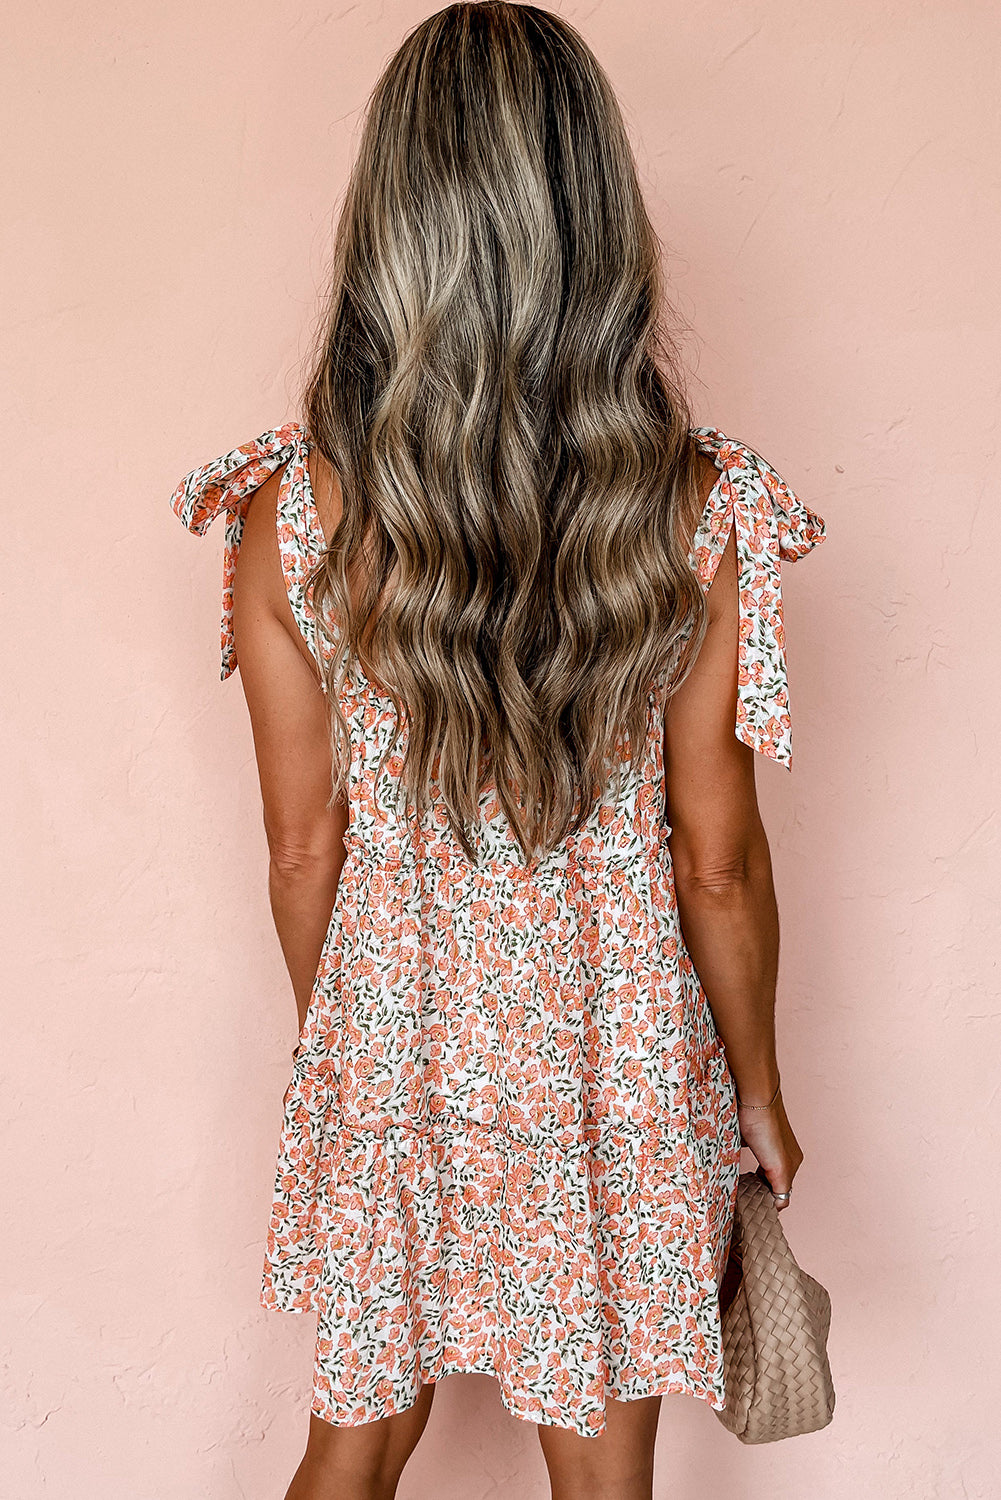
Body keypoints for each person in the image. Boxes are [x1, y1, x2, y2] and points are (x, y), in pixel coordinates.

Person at [170, 4, 825, 1496]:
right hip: (614, 1061)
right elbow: (711, 863)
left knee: (348, 1453)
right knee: (606, 1484)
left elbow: (300, 847)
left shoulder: (291, 512)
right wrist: (760, 1094)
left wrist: (350, 1049)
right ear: (599, 217)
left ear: (386, 218)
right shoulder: (702, 509)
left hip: (393, 1046)